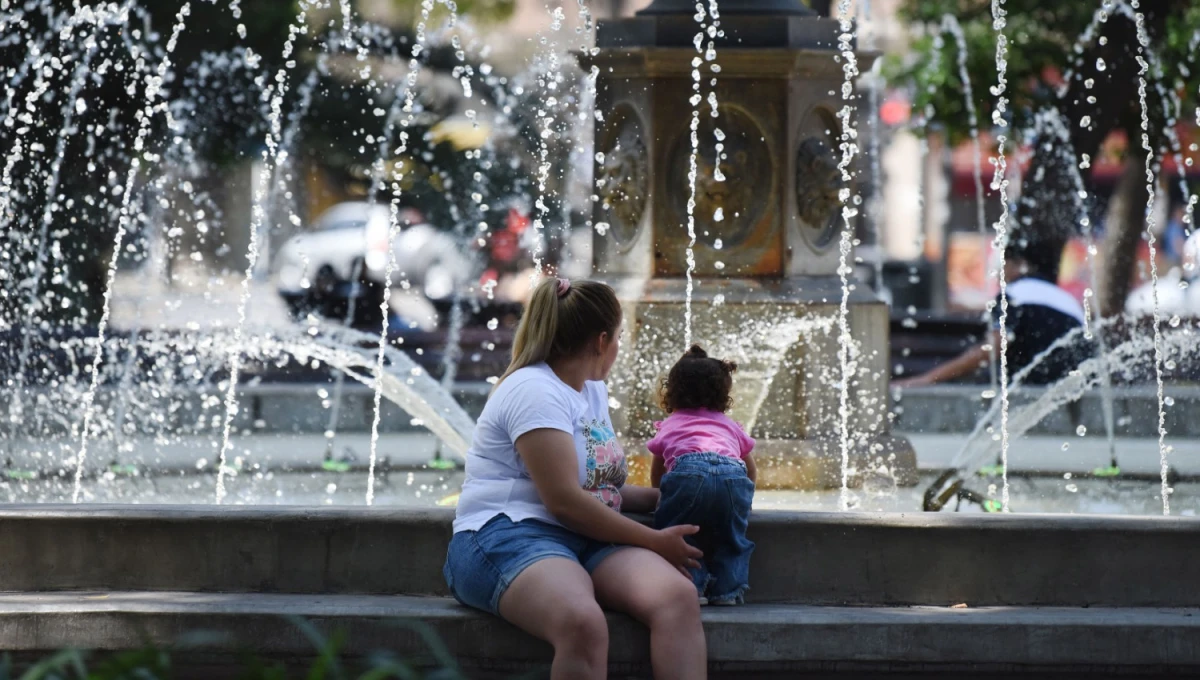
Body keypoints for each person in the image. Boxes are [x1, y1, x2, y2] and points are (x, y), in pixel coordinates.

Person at [443, 277, 707, 680]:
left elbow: (601, 489)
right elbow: (564, 500)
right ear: (602, 341)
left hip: (585, 537)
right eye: (619, 337)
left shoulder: (589, 389)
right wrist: (654, 540)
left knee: (677, 597)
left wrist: (674, 493)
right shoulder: (534, 390)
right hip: (506, 535)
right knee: (582, 621)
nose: (619, 347)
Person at [896, 237, 1088, 387]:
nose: (998, 273)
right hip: (1073, 386)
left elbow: (993, 347)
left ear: (1020, 265)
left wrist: (928, 379)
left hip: (1035, 388)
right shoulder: (1067, 299)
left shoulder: (1014, 294)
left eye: (1003, 264)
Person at [649, 345, 757, 607]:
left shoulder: (670, 424)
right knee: (732, 537)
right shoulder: (730, 425)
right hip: (733, 475)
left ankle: (692, 586)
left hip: (687, 475)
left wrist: (663, 498)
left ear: (671, 391)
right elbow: (750, 468)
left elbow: (658, 471)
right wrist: (743, 501)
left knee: (679, 531)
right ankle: (726, 591)